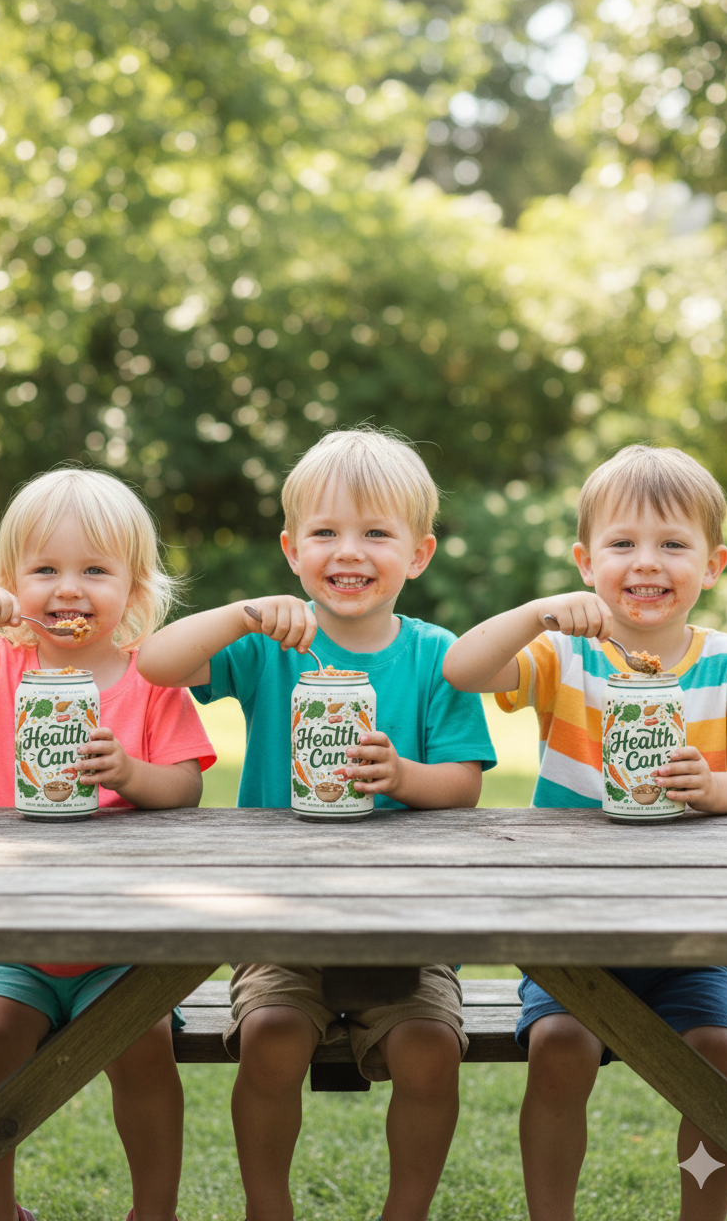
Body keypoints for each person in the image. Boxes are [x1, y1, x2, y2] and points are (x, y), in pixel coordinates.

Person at [138, 428, 496, 1221]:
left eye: (376, 533)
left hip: (407, 926)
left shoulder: (438, 656)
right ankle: (269, 1208)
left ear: (419, 554)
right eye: (326, 532)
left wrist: (403, 776)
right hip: (280, 918)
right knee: (270, 1038)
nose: (349, 551)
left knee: (431, 1051)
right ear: (292, 550)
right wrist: (240, 615)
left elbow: (465, 785)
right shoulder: (273, 644)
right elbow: (155, 664)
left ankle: (405, 1212)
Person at [443, 444, 727, 1221]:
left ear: (712, 565)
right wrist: (537, 614)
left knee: (723, 1054)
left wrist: (720, 790)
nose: (646, 562)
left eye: (672, 544)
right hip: (569, 928)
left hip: (690, 931)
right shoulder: (564, 654)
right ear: (586, 562)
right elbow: (462, 670)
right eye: (622, 543)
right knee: (560, 1048)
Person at [0, 467, 216, 1221]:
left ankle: (153, 1210)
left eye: (94, 571)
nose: (68, 590)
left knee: (143, 1049)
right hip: (10, 936)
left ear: (134, 586)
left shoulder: (152, 678)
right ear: (11, 582)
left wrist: (132, 773)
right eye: (45, 570)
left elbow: (186, 787)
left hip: (123, 940)